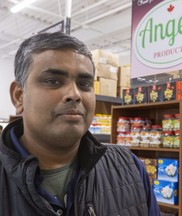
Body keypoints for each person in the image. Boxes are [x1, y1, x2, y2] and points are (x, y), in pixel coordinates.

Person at [0, 32, 160, 216]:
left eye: (84, 83)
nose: (74, 94)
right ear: (18, 96)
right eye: (53, 81)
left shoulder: (129, 167)